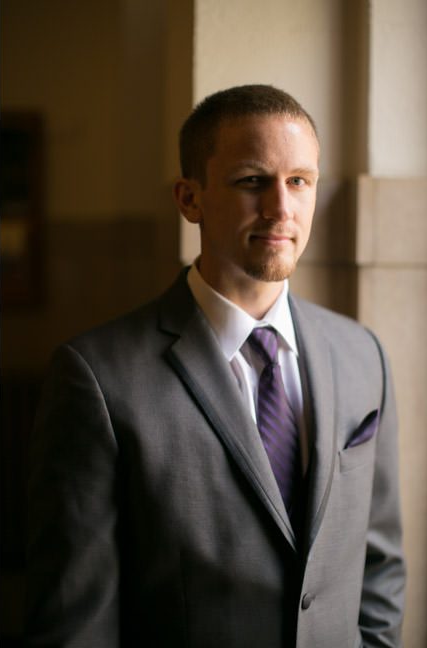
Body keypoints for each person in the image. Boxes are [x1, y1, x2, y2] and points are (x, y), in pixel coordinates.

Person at [25, 85, 405, 647]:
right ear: (189, 198)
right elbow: (76, 621)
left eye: (299, 181)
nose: (281, 208)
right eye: (253, 180)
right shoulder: (96, 377)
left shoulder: (362, 355)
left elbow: (379, 567)